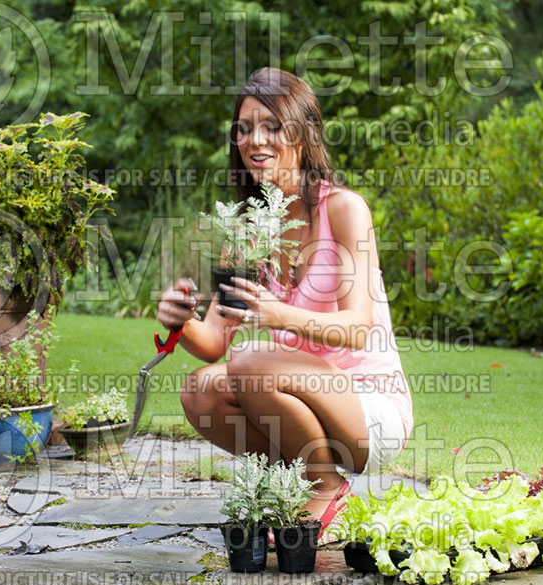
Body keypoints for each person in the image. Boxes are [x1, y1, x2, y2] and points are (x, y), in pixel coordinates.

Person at [157, 67, 413, 536]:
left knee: (251, 359)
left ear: (301, 133)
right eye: (245, 127)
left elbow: (358, 327)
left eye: (272, 126)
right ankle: (295, 481)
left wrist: (276, 314)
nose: (256, 140)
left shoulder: (343, 210)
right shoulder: (248, 230)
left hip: (369, 411)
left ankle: (323, 487)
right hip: (299, 401)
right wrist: (181, 322)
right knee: (200, 390)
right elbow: (215, 340)